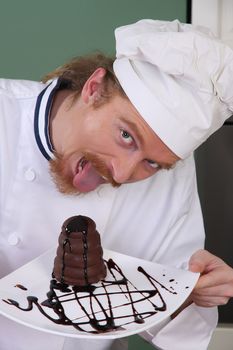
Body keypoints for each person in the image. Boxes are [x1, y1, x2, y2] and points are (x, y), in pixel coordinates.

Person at [0, 18, 232, 350]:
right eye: (126, 136)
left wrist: (193, 291)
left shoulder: (170, 173)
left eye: (152, 163)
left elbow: (168, 314)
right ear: (93, 89)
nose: (122, 175)